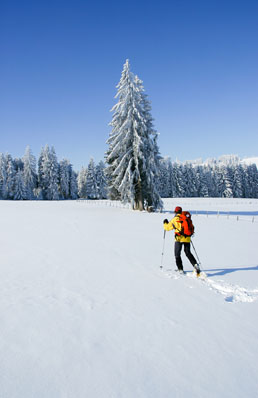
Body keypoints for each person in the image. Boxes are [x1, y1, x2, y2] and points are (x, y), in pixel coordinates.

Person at [163, 206, 200, 274]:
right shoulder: (186, 218)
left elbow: (167, 228)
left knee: (177, 254)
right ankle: (195, 265)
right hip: (187, 238)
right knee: (188, 253)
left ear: (175, 212)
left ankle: (180, 269)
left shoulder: (175, 219)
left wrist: (165, 223)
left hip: (179, 239)